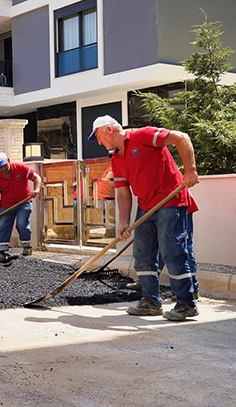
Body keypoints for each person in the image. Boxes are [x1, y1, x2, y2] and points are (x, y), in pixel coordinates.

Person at [89, 115, 199, 321]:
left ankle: (186, 303)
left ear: (109, 130)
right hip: (146, 206)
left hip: (170, 201)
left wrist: (190, 170)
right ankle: (151, 301)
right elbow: (123, 192)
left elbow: (181, 137)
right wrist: (123, 223)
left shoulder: (144, 135)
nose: (99, 142)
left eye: (98, 137)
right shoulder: (117, 158)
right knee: (142, 254)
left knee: (172, 252)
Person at [0, 152, 42, 262]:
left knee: (22, 223)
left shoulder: (20, 168)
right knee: (3, 225)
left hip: (24, 202)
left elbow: (36, 178)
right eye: (0, 167)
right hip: (6, 205)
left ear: (8, 160)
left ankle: (26, 246)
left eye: (4, 165)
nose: (3, 169)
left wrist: (36, 189)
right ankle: (2, 252)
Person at [95, 160, 116, 237]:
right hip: (105, 196)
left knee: (109, 220)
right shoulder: (114, 165)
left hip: (102, 195)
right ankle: (111, 235)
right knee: (110, 221)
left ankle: (110, 234)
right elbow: (109, 177)